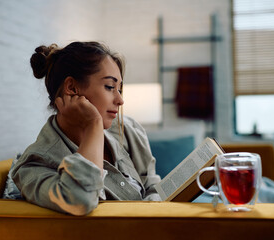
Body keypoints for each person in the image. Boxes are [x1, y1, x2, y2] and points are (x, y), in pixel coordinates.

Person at [11, 41, 161, 216]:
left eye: (119, 89)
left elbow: (152, 186)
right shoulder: (34, 165)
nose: (120, 100)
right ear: (72, 88)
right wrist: (93, 125)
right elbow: (79, 199)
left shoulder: (128, 128)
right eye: (110, 87)